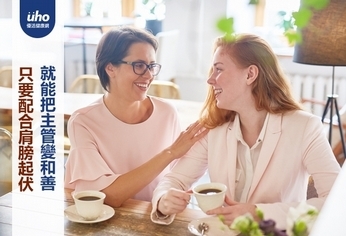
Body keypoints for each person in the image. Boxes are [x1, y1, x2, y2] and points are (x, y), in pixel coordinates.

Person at [150, 33, 341, 229]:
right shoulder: (214, 128)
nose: (210, 80)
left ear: (250, 75)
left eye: (218, 70)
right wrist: (164, 200)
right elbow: (174, 180)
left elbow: (337, 203)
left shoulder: (305, 127)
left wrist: (258, 213)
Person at [64, 26, 208, 208]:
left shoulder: (167, 113)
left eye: (151, 66)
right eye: (139, 65)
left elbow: (175, 179)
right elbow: (108, 196)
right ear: (110, 67)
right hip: (106, 222)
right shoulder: (83, 122)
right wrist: (170, 153)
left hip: (156, 217)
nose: (148, 75)